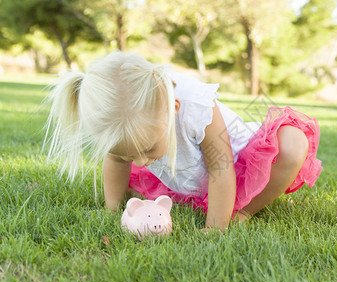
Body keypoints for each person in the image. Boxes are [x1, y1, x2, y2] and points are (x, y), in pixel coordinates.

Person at [44, 51, 322, 232]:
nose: (141, 163)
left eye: (148, 149)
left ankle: (244, 212)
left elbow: (220, 168)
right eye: (132, 156)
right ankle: (193, 198)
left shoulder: (196, 106)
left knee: (293, 143)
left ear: (173, 109)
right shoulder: (129, 125)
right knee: (134, 155)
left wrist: (216, 227)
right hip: (187, 177)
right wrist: (112, 209)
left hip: (234, 167)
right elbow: (116, 158)